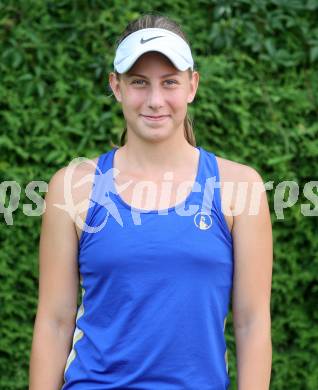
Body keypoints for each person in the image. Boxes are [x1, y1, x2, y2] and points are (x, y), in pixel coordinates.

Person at [29, 13, 273, 390]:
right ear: (117, 86)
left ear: (192, 85)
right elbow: (54, 320)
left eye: (169, 82)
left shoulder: (239, 187)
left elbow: (252, 321)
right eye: (139, 82)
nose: (155, 100)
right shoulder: (72, 187)